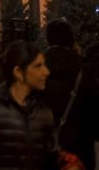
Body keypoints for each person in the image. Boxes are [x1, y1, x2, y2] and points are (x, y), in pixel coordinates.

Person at [0, 40, 59, 170]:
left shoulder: (43, 110)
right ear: (18, 72)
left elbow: (51, 159)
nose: (46, 72)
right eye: (38, 66)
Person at [42, 19, 98, 170]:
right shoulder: (85, 73)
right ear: (71, 39)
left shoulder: (38, 72)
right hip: (80, 152)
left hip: (46, 151)